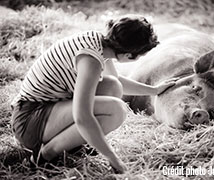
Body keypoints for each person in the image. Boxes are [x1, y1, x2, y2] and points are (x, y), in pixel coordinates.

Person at [11, 14, 175, 173]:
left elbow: (116, 79)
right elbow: (82, 117)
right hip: (30, 122)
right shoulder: (91, 61)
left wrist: (154, 90)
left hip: (47, 110)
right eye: (140, 56)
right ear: (128, 55)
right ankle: (46, 154)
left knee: (113, 86)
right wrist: (113, 158)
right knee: (116, 110)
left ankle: (71, 144)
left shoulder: (99, 42)